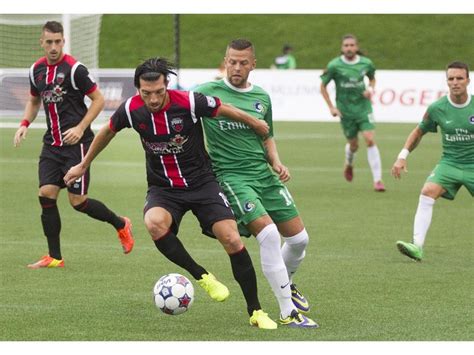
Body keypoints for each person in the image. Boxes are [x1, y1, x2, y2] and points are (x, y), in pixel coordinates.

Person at [64, 57, 277, 329]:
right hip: (164, 189)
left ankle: (256, 311)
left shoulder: (188, 102)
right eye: (146, 93)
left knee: (232, 238)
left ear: (167, 85)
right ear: (137, 89)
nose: (153, 99)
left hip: (202, 183)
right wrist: (83, 165)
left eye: (158, 92)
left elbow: (224, 108)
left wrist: (254, 123)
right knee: (154, 223)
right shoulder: (131, 109)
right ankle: (202, 276)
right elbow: (107, 131)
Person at [196, 39, 318, 328]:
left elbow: (267, 135)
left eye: (242, 62)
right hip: (231, 177)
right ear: (225, 61)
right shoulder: (205, 93)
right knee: (270, 236)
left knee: (300, 240)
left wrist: (276, 161)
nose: (236, 67)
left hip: (263, 175)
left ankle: (286, 282)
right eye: (232, 61)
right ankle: (288, 311)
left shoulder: (261, 97)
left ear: (253, 64)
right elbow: (178, 109)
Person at [13, 21, 134, 269]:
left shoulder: (74, 69)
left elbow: (99, 100)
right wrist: (24, 122)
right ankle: (55, 257)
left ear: (63, 41)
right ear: (42, 42)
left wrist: (80, 128)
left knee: (78, 202)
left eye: (58, 41)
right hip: (52, 145)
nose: (54, 46)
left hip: (77, 145)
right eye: (49, 42)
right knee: (46, 194)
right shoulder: (36, 70)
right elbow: (34, 101)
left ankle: (120, 223)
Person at [391, 61, 473, 261]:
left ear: (468, 80)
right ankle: (417, 246)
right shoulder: (437, 108)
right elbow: (419, 131)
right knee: (427, 191)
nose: (455, 82)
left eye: (459, 78)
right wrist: (402, 156)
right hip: (450, 163)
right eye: (451, 78)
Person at [320, 34, 386, 192]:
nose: (349, 48)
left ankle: (378, 180)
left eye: (351, 45)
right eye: (346, 46)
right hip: (345, 111)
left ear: (356, 47)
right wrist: (331, 107)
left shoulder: (366, 63)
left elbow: (372, 78)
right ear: (342, 48)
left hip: (363, 108)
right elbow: (323, 87)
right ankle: (349, 163)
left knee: (370, 139)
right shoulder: (334, 65)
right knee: (354, 145)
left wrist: (370, 89)